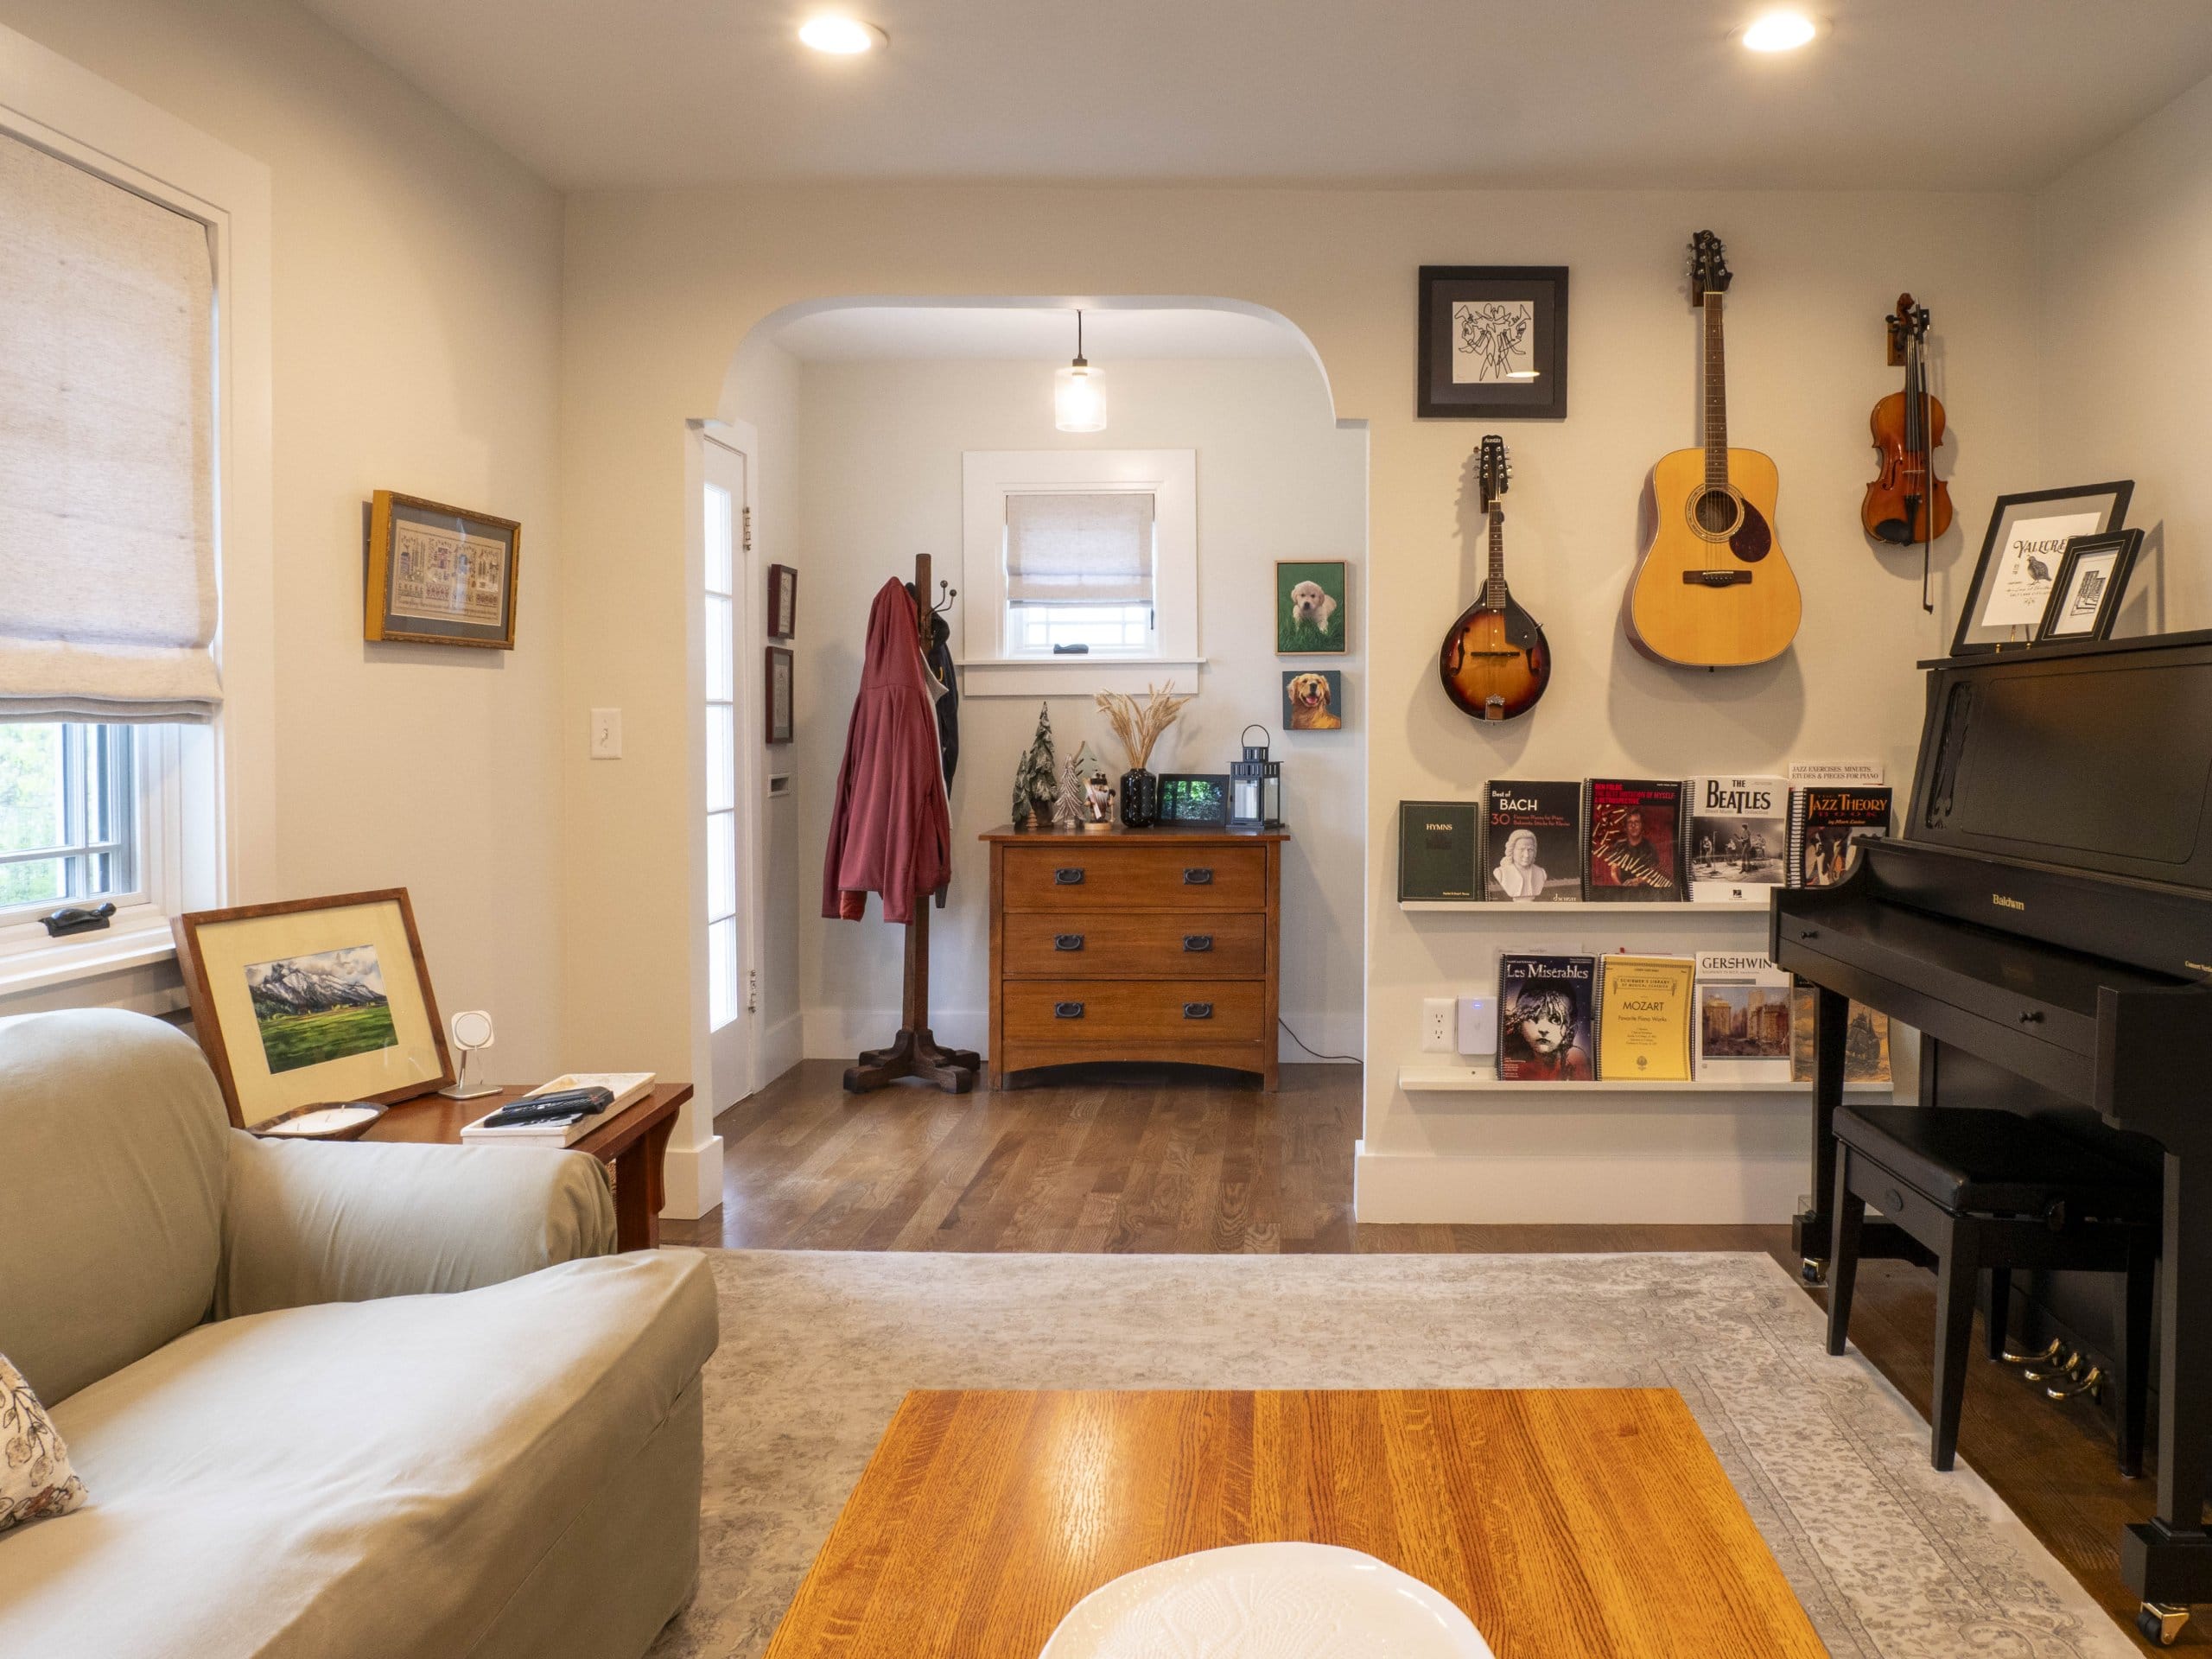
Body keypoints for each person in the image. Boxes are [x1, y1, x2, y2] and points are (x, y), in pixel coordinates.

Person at [1502, 985, 1592, 1080]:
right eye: (1532, 1017)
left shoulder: (1578, 1063)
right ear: (1519, 1023)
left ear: (1571, 1029)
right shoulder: (1510, 1063)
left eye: (1556, 1019)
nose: (1544, 1029)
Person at [1492, 828, 1548, 899]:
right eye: (1521, 849)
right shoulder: (1500, 873)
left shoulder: (1541, 873)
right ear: (1512, 850)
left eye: (1530, 850)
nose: (1526, 855)